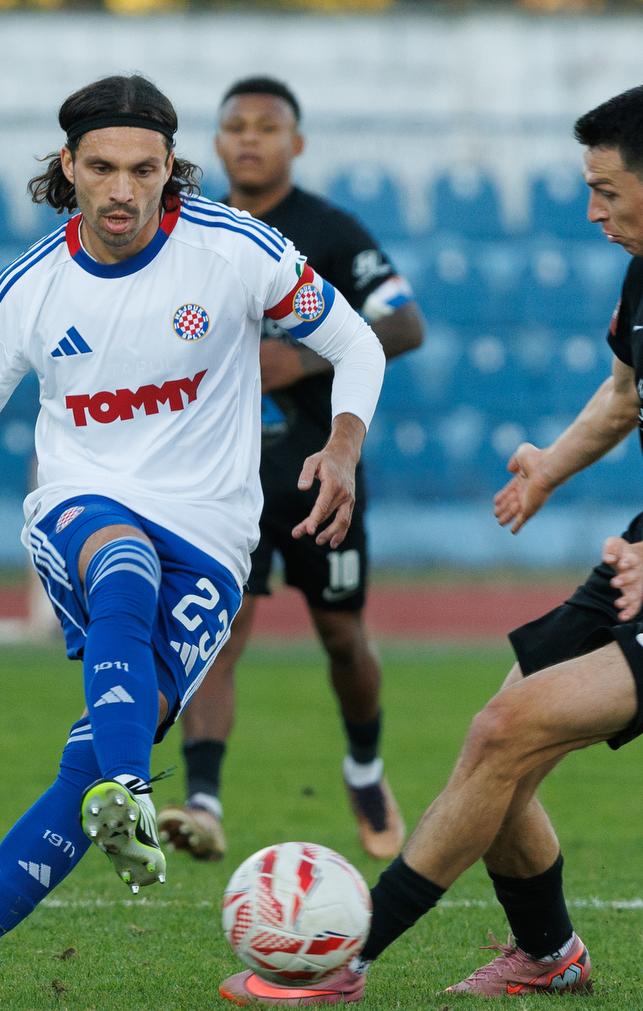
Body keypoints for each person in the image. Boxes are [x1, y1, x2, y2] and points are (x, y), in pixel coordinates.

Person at [219, 83, 643, 1006]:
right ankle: (548, 957)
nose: (592, 211)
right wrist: (550, 469)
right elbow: (623, 396)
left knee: (505, 734)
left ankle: (343, 963)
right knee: (497, 754)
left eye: (607, 192)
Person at [0, 74, 386, 1004]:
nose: (121, 191)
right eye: (101, 168)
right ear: (67, 167)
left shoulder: (236, 251)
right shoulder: (31, 288)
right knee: (122, 559)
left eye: (143, 170)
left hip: (215, 538)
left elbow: (361, 343)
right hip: (81, 502)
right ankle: (135, 791)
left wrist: (343, 446)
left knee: (88, 756)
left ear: (171, 170)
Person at [156, 76, 426, 865]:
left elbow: (403, 323)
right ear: (214, 143)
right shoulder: (185, 232)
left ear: (295, 143)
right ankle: (202, 797)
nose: (249, 139)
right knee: (220, 633)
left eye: (267, 127)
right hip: (218, 478)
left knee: (342, 636)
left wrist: (296, 359)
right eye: (234, 125)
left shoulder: (331, 232)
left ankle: (366, 769)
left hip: (316, 472)